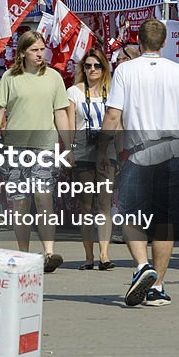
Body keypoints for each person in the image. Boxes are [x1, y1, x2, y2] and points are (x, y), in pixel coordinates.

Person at [101, 19, 179, 307]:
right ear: (164, 42)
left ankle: (142, 265)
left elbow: (112, 116)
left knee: (132, 215)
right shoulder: (178, 71)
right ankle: (157, 286)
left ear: (139, 42)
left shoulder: (125, 71)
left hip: (137, 153)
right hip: (169, 153)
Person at [0, 31, 72, 272]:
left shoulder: (54, 77)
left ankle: (49, 252)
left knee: (44, 198)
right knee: (20, 203)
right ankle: (23, 255)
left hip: (44, 146)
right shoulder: (10, 78)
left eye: (42, 49)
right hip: (15, 149)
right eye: (34, 49)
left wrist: (69, 146)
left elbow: (61, 113)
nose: (39, 53)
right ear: (23, 52)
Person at [65, 48, 115, 271]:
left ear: (104, 68)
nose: (92, 70)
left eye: (96, 65)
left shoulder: (112, 91)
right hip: (83, 147)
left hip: (108, 148)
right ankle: (88, 255)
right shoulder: (73, 92)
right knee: (86, 206)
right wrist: (68, 150)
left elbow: (119, 121)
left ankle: (104, 254)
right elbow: (68, 124)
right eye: (88, 66)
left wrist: (123, 152)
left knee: (104, 203)